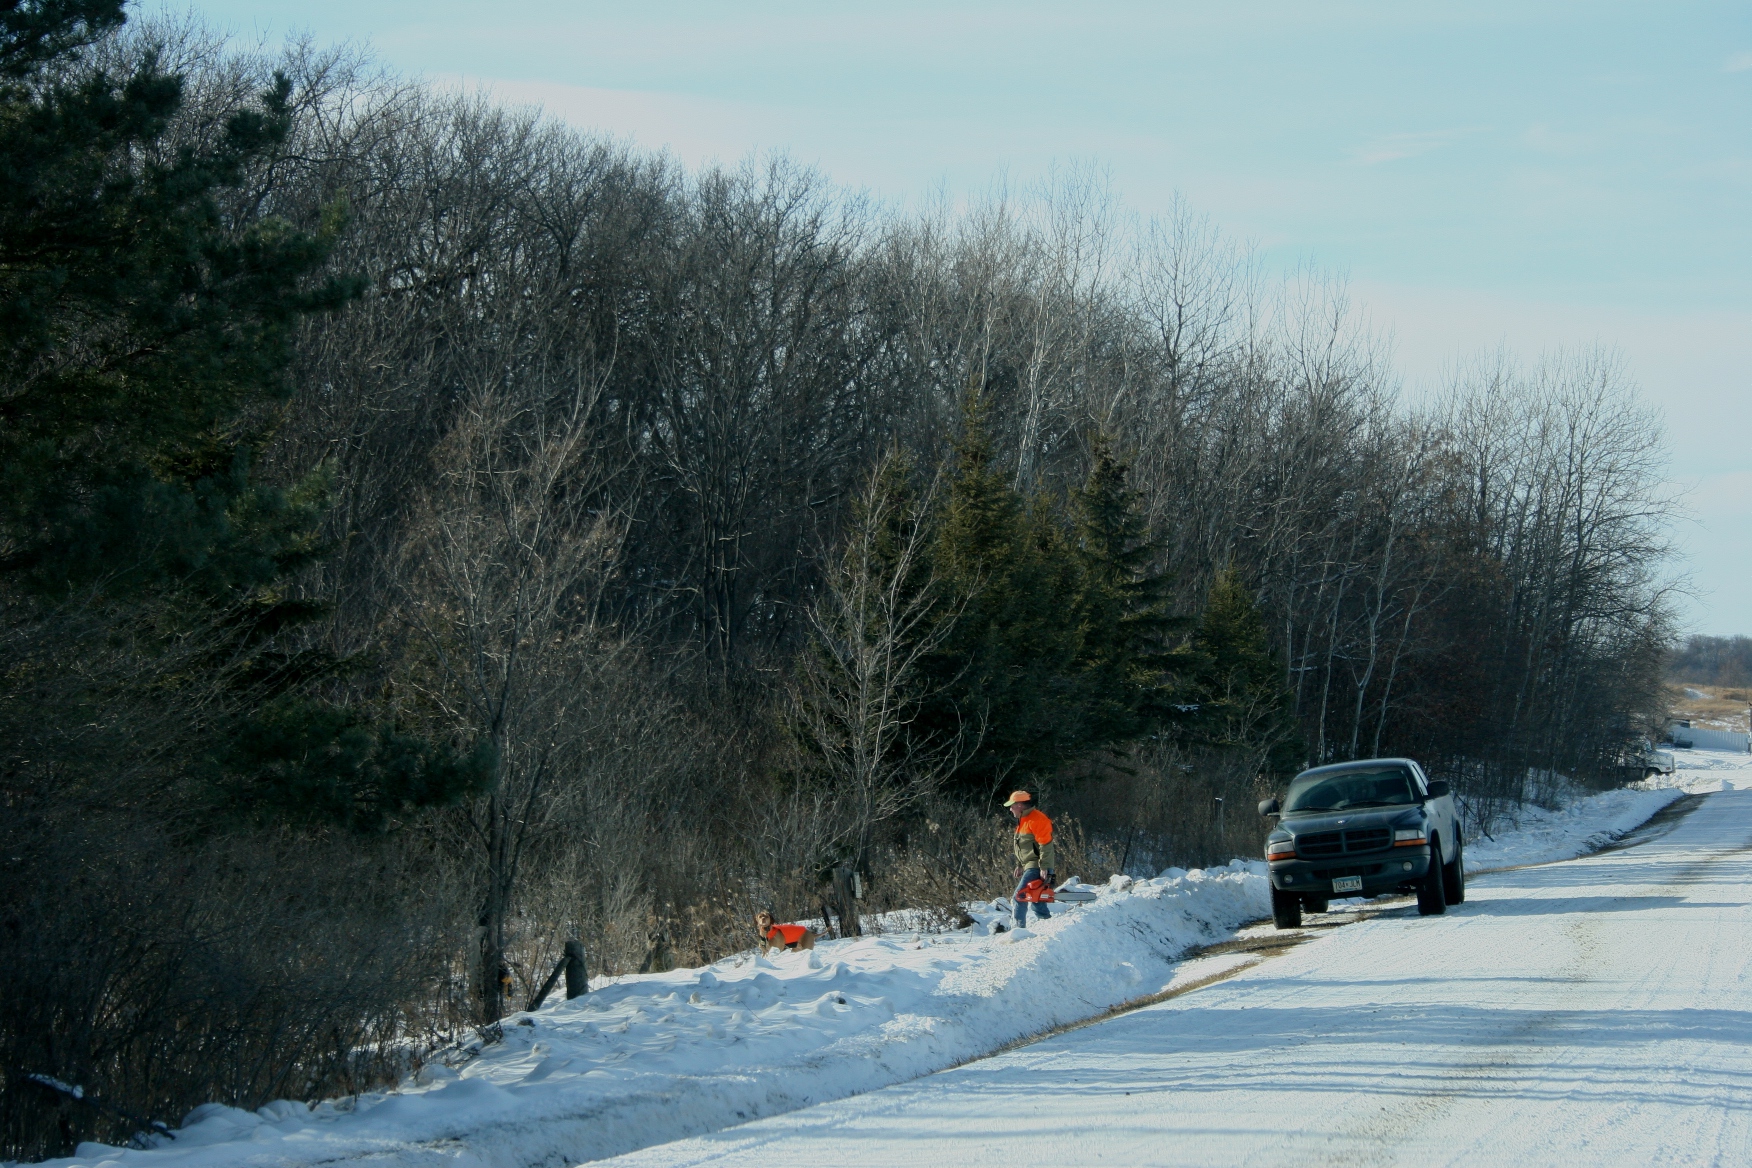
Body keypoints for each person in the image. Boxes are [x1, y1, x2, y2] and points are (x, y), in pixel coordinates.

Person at [1005, 791, 1057, 929]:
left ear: (1020, 805)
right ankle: (1048, 926)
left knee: (1019, 896)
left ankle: (1018, 930)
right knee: (1037, 899)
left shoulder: (1037, 819)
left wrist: (1044, 867)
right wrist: (1020, 865)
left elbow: (1046, 845)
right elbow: (1023, 846)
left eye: (1012, 806)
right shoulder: (1023, 820)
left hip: (1037, 866)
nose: (1010, 809)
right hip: (1031, 865)